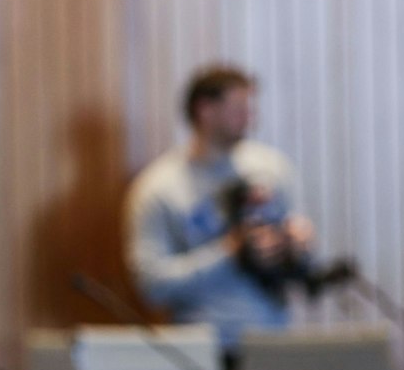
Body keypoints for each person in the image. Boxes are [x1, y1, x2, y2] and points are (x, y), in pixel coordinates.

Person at [123, 63, 318, 351]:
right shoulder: (158, 188)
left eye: (250, 107)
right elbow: (152, 286)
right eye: (238, 108)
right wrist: (229, 252)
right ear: (205, 110)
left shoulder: (272, 169)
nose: (250, 116)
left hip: (271, 342)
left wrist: (295, 244)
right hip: (200, 349)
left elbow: (304, 262)